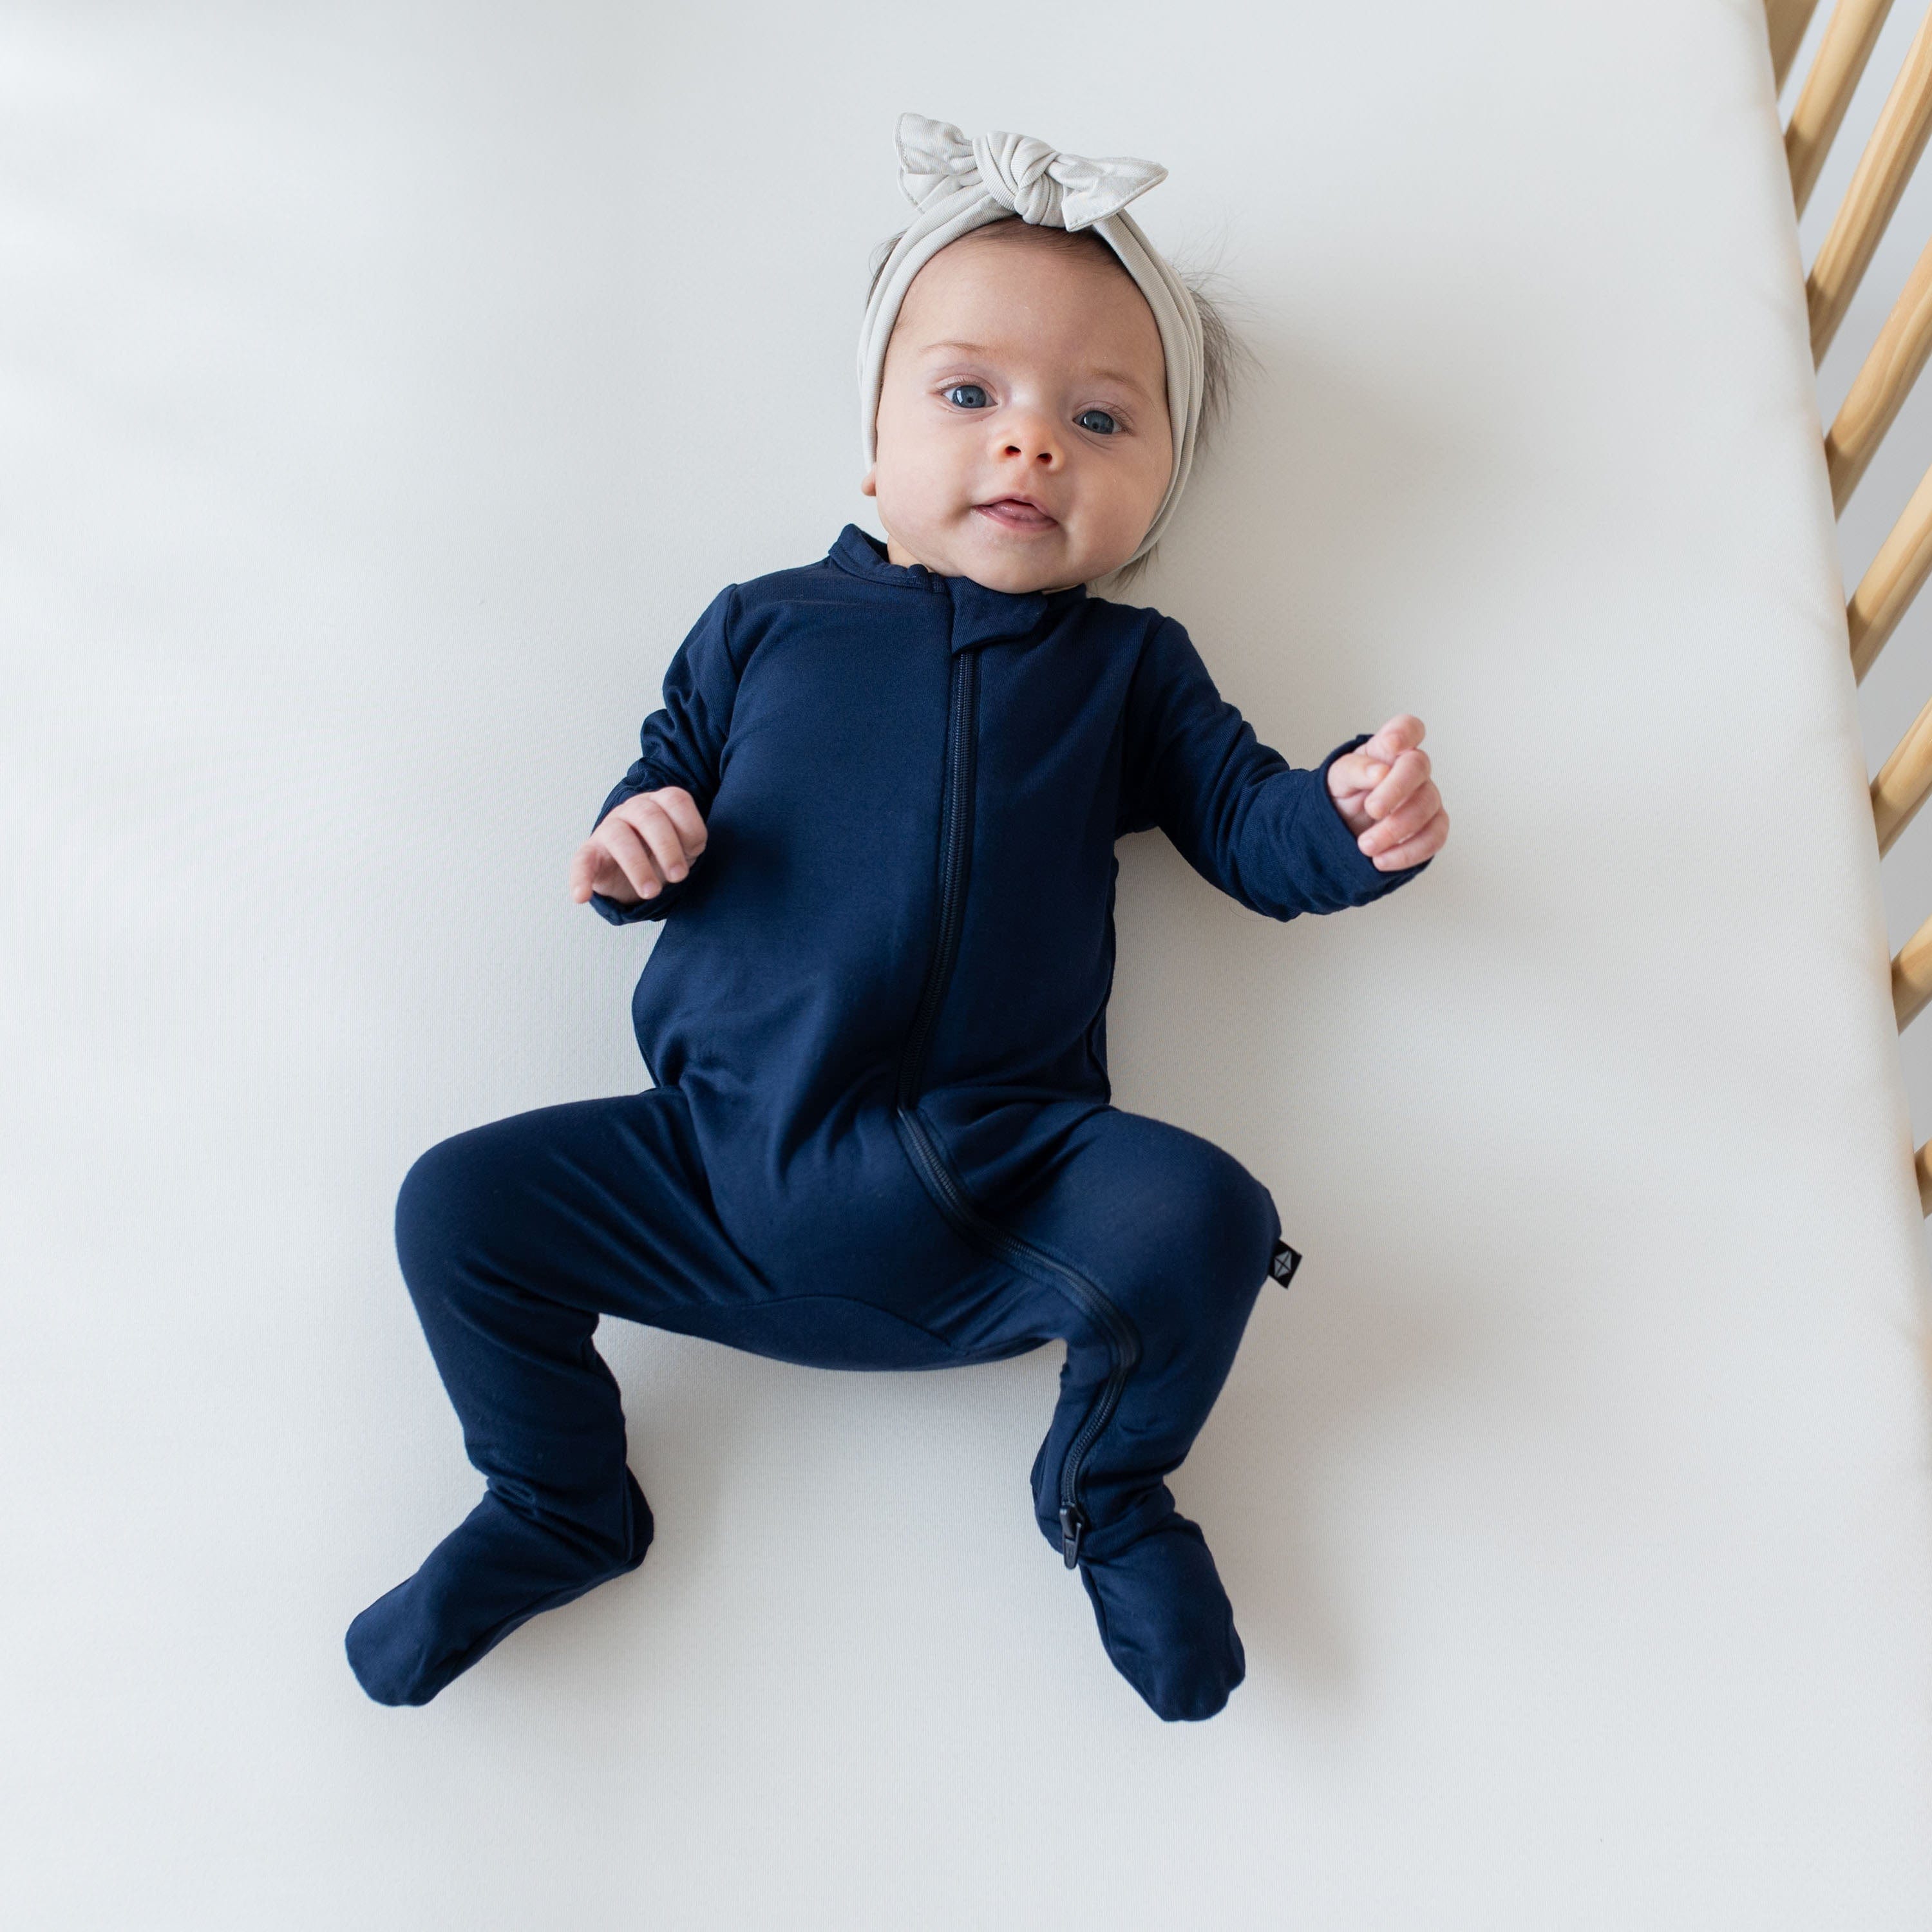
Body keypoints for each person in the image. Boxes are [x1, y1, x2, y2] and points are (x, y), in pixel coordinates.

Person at [345, 114, 1450, 1721]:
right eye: (968, 397)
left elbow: (1245, 821)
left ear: (1155, 491)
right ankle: (556, 1496)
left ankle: (1104, 1492)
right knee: (457, 1207)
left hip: (1001, 1190)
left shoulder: (1131, 671)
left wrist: (1348, 817)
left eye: (1100, 418)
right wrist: (629, 844)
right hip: (713, 1168)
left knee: (1204, 1215)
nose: (1029, 445)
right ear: (872, 449)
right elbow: (658, 788)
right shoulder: (763, 625)